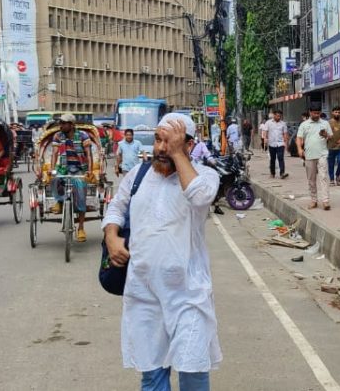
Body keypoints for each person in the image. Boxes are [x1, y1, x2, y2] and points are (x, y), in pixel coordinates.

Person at [102, 113, 221, 390]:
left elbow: (200, 197)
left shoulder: (204, 176)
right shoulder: (140, 174)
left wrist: (178, 155)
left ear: (188, 145)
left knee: (193, 369)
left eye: (171, 142)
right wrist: (111, 237)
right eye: (158, 139)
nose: (161, 148)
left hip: (188, 296)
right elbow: (116, 207)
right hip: (143, 294)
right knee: (152, 375)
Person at [51, 113, 92, 242]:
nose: (61, 125)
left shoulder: (83, 136)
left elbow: (89, 154)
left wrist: (89, 171)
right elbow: (55, 153)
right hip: (63, 167)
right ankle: (59, 200)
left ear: (72, 125)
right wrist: (52, 169)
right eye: (60, 123)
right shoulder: (58, 136)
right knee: (54, 178)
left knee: (81, 195)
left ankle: (80, 228)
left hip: (79, 169)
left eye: (64, 123)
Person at [296, 104, 333, 210]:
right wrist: (299, 149)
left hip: (322, 154)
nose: (316, 115)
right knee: (311, 179)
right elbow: (299, 138)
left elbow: (330, 136)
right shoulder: (304, 124)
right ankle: (314, 200)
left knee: (323, 177)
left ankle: (325, 201)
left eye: (318, 113)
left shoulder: (325, 123)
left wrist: (326, 135)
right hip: (309, 155)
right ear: (310, 112)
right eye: (314, 113)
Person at [266, 110, 289, 179]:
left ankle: (282, 173)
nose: (279, 117)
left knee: (280, 157)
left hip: (280, 143)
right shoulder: (268, 123)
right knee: (272, 159)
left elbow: (285, 134)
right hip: (271, 143)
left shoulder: (283, 124)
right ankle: (272, 173)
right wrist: (265, 139)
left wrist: (286, 143)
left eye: (280, 116)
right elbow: (266, 131)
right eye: (277, 116)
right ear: (274, 115)